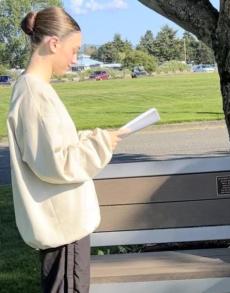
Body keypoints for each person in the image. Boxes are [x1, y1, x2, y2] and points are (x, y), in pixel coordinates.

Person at [7, 7, 126, 292]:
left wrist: (94, 137)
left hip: (63, 228)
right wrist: (100, 145)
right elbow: (56, 163)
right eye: (74, 50)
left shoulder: (34, 90)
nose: (75, 59)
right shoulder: (34, 94)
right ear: (53, 43)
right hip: (64, 231)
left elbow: (54, 146)